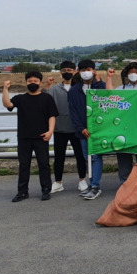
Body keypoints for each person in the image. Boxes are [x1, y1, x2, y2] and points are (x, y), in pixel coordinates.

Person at [3, 72, 58, 202]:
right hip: (24, 137)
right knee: (23, 165)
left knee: (44, 164)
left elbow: (52, 116)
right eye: (30, 81)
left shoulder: (47, 98)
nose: (32, 83)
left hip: (41, 137)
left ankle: (46, 190)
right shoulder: (20, 98)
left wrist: (50, 131)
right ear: (26, 82)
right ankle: (22, 192)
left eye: (35, 81)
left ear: (40, 82)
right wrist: (5, 89)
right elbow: (8, 104)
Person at [107, 62, 137, 183]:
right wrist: (109, 78)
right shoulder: (121, 89)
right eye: (131, 72)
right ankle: (125, 185)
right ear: (126, 74)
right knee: (124, 159)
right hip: (123, 129)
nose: (134, 74)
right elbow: (109, 96)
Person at [47, 61, 88, 194]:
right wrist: (47, 85)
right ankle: (58, 182)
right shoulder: (54, 89)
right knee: (59, 157)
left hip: (77, 129)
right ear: (60, 72)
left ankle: (82, 180)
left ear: (75, 71)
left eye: (70, 70)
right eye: (64, 70)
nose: (67, 72)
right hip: (60, 129)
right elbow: (43, 99)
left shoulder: (80, 88)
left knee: (80, 156)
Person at [68, 59, 106, 200]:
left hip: (99, 130)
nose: (86, 72)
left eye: (88, 69)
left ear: (94, 71)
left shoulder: (101, 87)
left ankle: (95, 185)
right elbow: (73, 111)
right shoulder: (74, 91)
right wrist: (81, 128)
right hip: (83, 131)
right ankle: (91, 184)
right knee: (86, 157)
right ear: (79, 72)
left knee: (95, 157)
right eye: (83, 70)